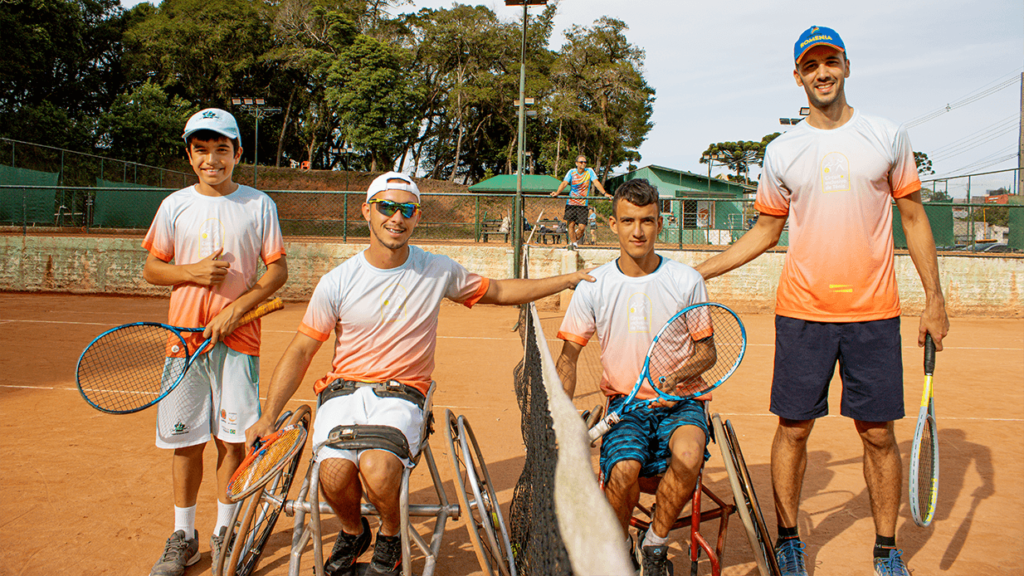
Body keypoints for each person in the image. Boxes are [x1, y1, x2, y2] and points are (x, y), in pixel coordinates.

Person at [245, 172, 594, 576]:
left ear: (417, 217)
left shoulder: (437, 270)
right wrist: (269, 417)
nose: (396, 217)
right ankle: (353, 530)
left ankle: (391, 536)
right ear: (367, 211)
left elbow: (499, 291)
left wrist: (566, 280)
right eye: (386, 207)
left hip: (403, 394)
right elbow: (303, 348)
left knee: (377, 466)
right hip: (343, 393)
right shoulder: (337, 281)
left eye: (406, 209)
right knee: (334, 472)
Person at [694, 26, 949, 576]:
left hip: (874, 314)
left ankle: (887, 550)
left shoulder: (887, 135)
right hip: (803, 314)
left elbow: (912, 218)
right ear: (798, 77)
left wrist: (935, 299)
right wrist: (699, 272)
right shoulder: (781, 150)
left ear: (847, 66)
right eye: (811, 66)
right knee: (794, 429)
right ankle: (790, 542)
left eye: (830, 62)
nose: (822, 73)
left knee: (878, 434)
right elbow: (765, 231)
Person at [142, 108, 289, 576]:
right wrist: (192, 273)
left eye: (221, 149)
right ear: (190, 155)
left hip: (239, 343)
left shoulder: (259, 204)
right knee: (185, 443)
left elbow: (278, 272)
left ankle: (226, 531)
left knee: (233, 442)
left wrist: (236, 309)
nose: (212, 159)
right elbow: (152, 269)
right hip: (182, 345)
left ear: (237, 153)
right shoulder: (174, 205)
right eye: (201, 150)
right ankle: (183, 536)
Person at [554, 179, 710, 576]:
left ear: (660, 223)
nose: (638, 231)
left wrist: (676, 379)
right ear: (613, 224)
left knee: (689, 456)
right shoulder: (594, 286)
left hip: (681, 403)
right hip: (625, 406)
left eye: (647, 221)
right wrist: (560, 412)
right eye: (628, 220)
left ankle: (655, 545)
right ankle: (621, 545)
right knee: (623, 471)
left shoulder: (687, 280)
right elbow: (569, 358)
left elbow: (707, 353)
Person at [550, 155, 612, 250]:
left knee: (582, 227)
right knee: (571, 225)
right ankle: (574, 244)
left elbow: (596, 182)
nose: (583, 163)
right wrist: (557, 193)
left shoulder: (589, 171)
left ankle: (573, 241)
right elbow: (564, 183)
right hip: (571, 203)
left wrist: (605, 193)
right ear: (576, 163)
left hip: (583, 204)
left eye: (585, 162)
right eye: (581, 162)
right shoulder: (571, 172)